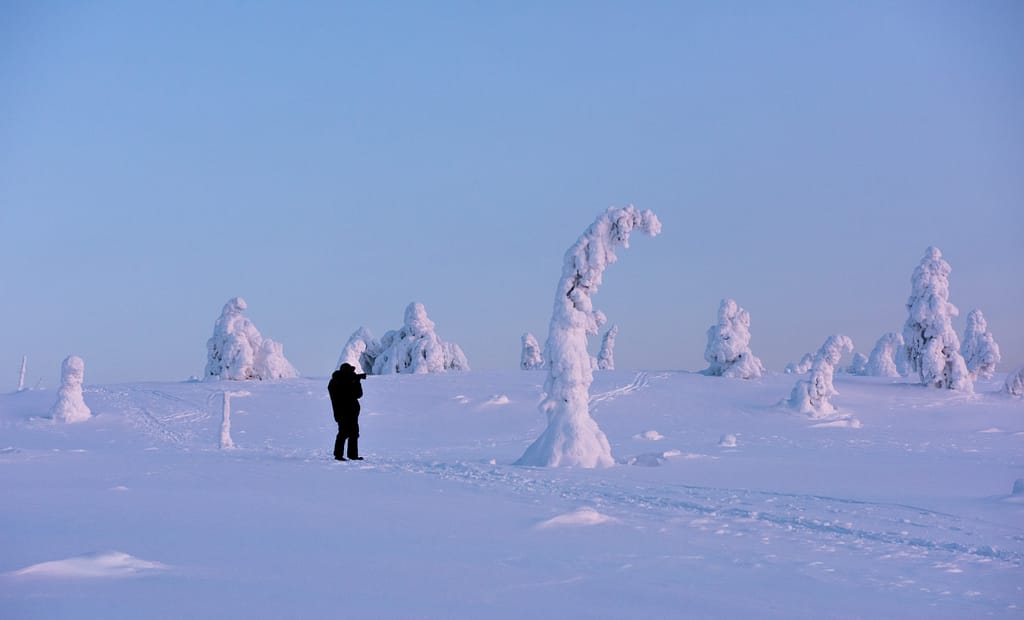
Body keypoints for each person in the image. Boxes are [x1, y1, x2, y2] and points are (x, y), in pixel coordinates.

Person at [328, 363, 365, 461]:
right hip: (342, 412)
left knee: (354, 433)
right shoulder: (335, 382)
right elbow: (346, 394)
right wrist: (353, 382)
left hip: (352, 412)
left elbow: (359, 394)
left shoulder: (343, 381)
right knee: (343, 433)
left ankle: (352, 455)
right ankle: (338, 455)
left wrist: (356, 381)